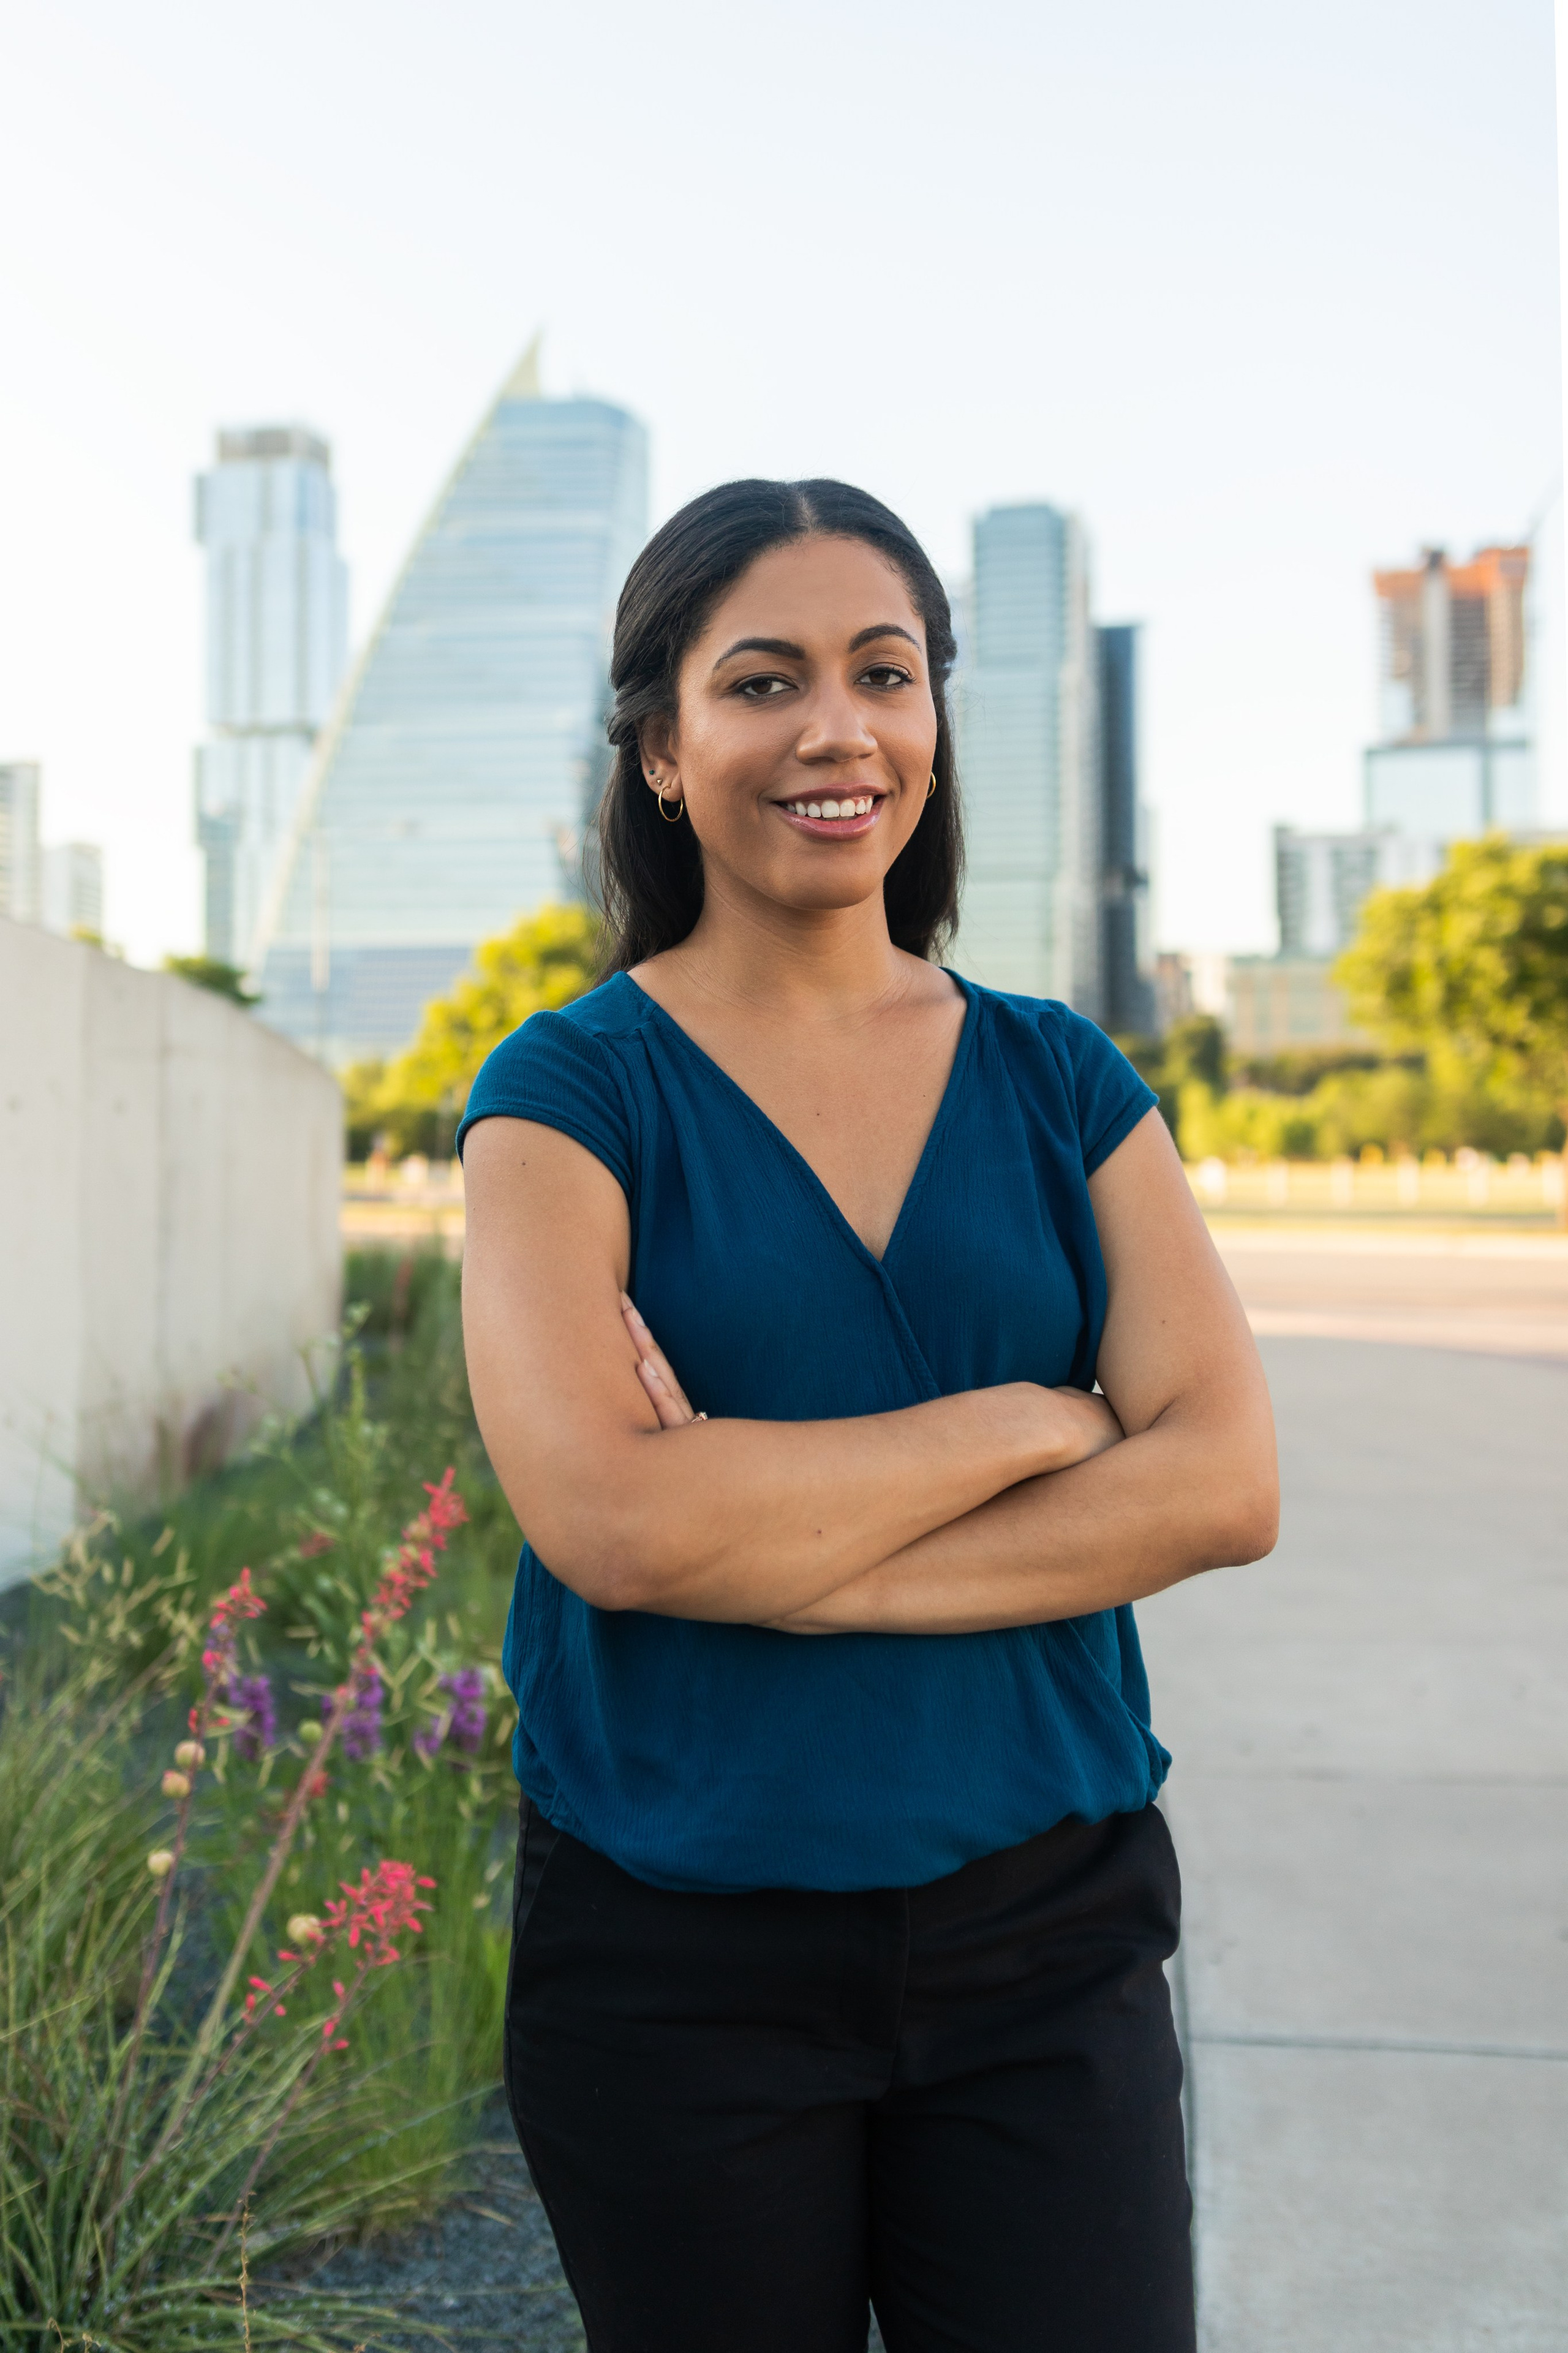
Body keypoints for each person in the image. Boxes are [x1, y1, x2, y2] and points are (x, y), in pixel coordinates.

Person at [459, 478, 1278, 2353]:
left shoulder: (1062, 1077)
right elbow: (618, 1523)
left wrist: (793, 1554)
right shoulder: (566, 1094)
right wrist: (1032, 1415)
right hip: (677, 1964)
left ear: (931, 722)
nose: (838, 729)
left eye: (884, 673)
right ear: (663, 749)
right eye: (763, 682)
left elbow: (1226, 1481)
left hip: (1048, 1944)